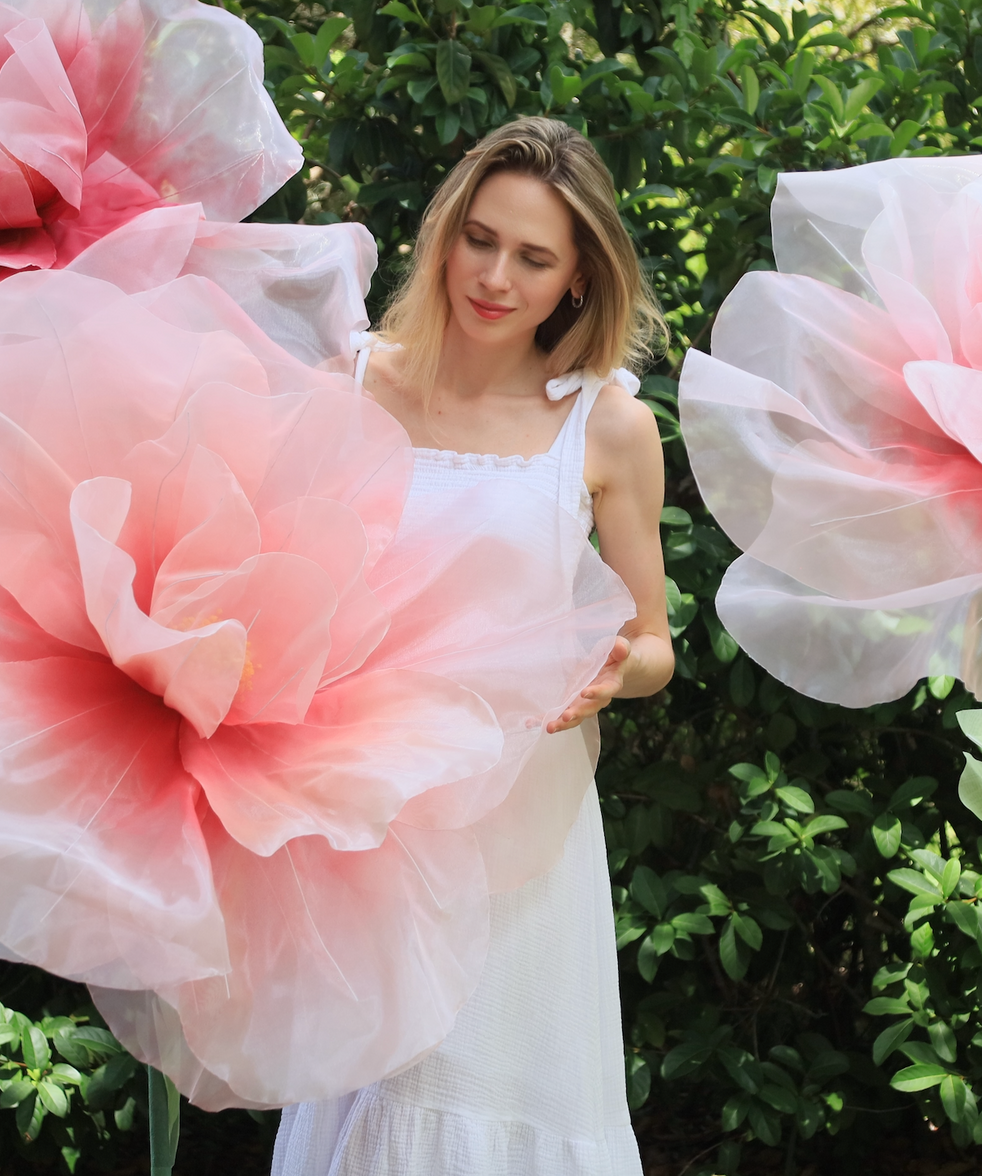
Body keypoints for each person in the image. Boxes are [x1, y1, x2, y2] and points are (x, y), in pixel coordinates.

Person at [268, 117, 674, 1174]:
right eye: (479, 238)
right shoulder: (348, 383)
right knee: (377, 1094)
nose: (494, 275)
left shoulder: (608, 426)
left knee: (492, 1092)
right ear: (446, 232)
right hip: (373, 812)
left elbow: (654, 641)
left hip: (526, 833)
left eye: (533, 257)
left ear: (577, 277)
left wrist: (611, 671)